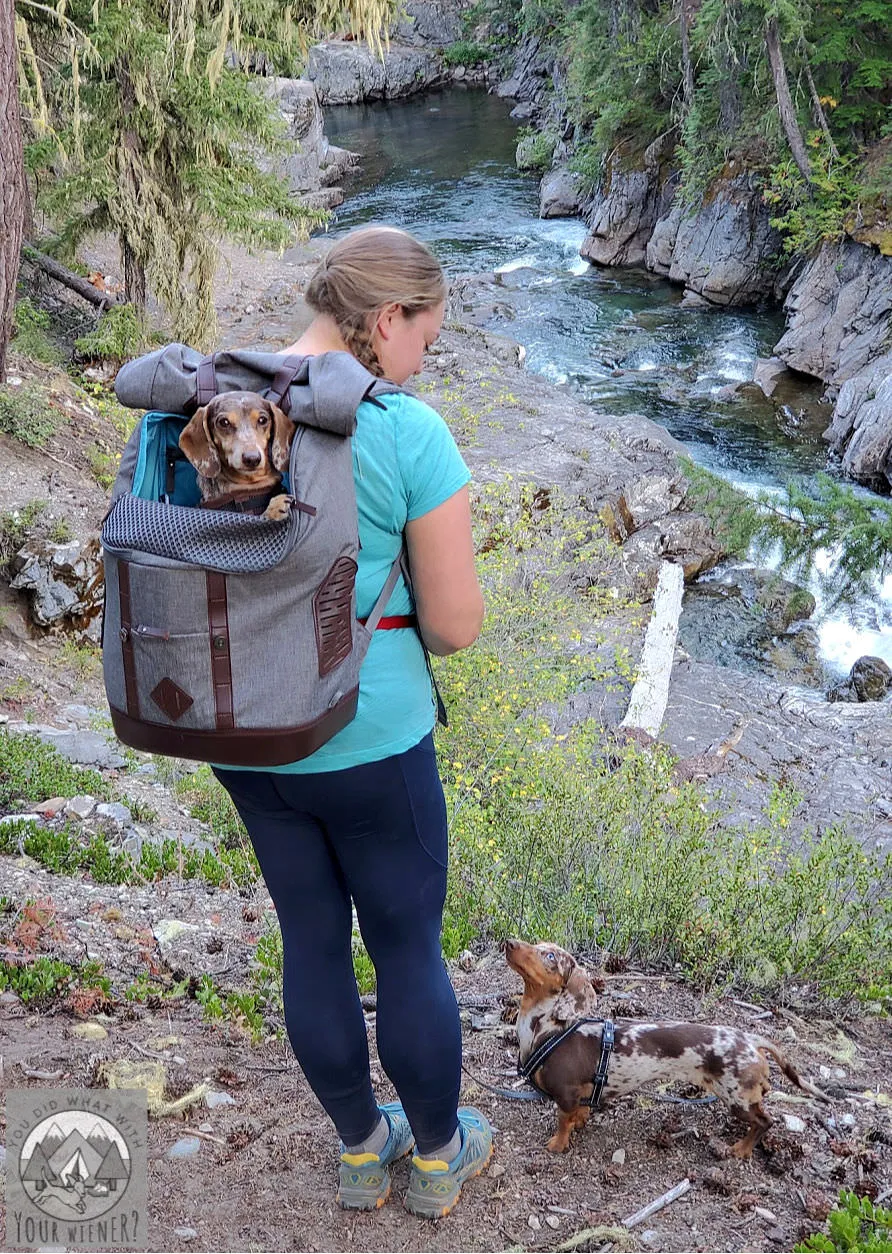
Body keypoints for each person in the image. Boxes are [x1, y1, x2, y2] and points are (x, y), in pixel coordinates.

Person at [211, 225, 493, 1219]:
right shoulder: (407, 430)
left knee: (312, 941)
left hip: (241, 730)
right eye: (428, 333)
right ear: (386, 319)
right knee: (408, 946)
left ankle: (361, 1150)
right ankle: (438, 1161)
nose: (427, 356)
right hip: (369, 738)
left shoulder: (216, 404)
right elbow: (455, 628)